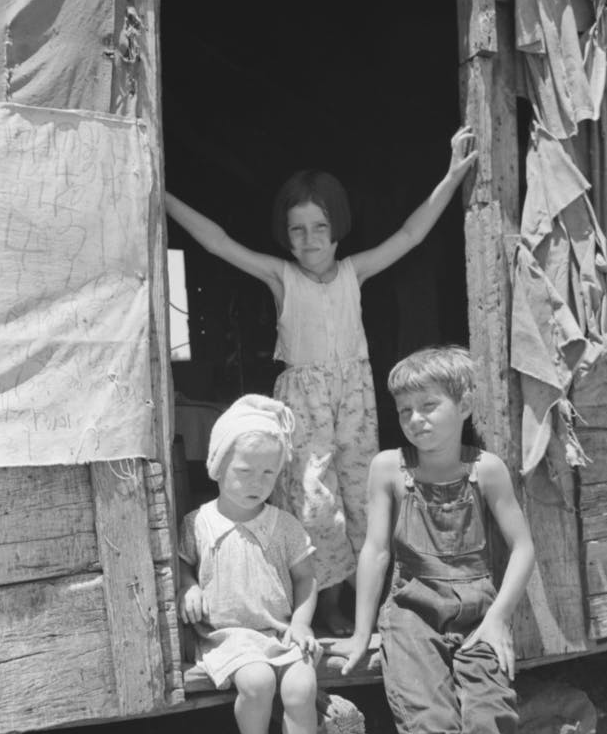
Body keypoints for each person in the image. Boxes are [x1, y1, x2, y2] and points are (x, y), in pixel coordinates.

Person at [165, 127, 477, 637]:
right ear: (285, 236)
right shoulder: (280, 276)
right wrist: (163, 194)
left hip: (353, 399)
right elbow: (217, 241)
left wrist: (452, 176)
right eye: (297, 230)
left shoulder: (354, 271)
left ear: (338, 229)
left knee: (360, 499)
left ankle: (366, 606)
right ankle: (323, 604)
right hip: (305, 401)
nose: (309, 240)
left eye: (318, 226)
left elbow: (411, 235)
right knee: (315, 506)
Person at [334, 345, 535, 734]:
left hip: (478, 607)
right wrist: (361, 633)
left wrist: (498, 619)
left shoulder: (487, 469)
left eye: (430, 405)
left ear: (464, 404)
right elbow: (375, 551)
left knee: (490, 712)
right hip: (411, 609)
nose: (417, 420)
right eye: (405, 410)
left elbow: (521, 549)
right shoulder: (389, 470)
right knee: (427, 718)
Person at [177, 394, 330, 734]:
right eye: (245, 471)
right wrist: (188, 586)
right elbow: (184, 562)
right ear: (219, 466)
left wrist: (301, 623)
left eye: (268, 472)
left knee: (302, 686)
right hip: (227, 635)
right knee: (258, 682)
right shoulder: (199, 523)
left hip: (277, 630)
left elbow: (306, 580)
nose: (256, 482)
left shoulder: (282, 526)